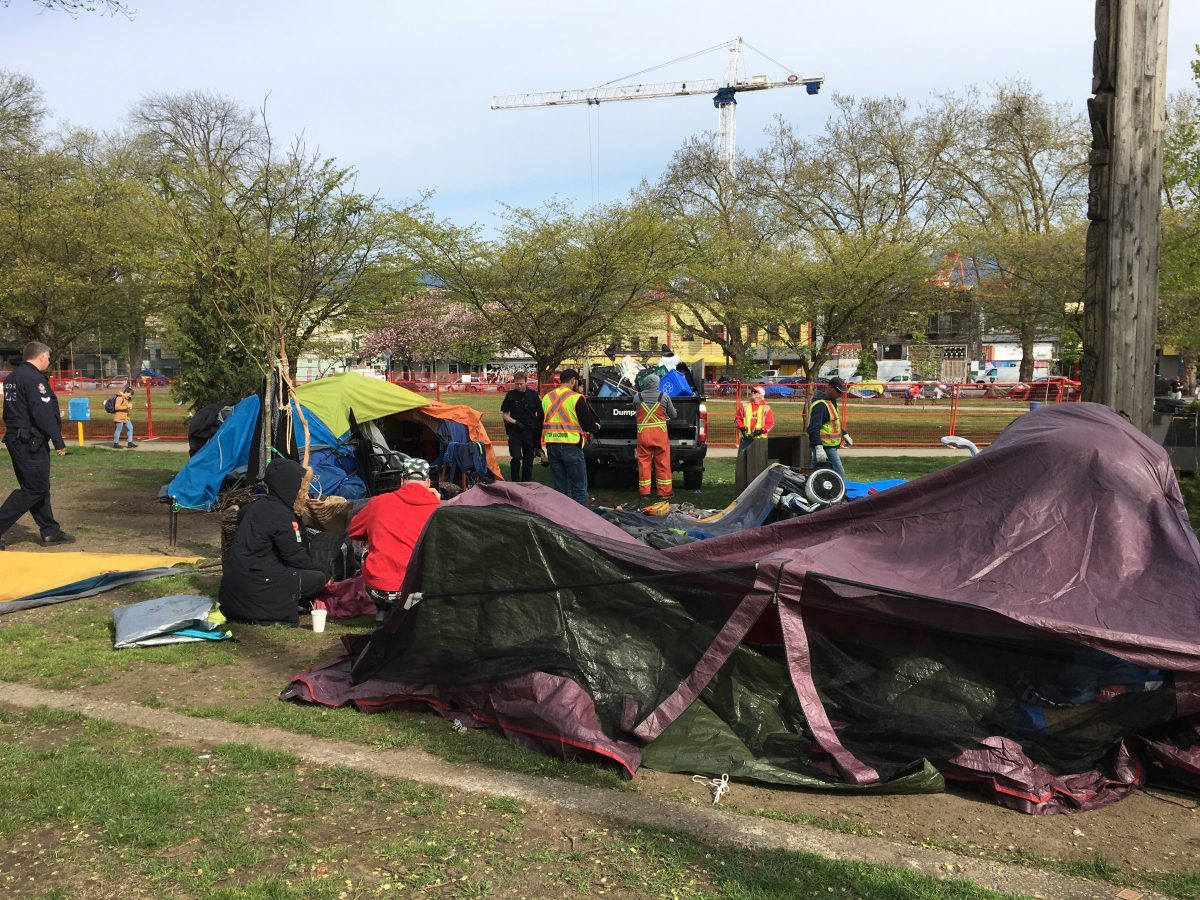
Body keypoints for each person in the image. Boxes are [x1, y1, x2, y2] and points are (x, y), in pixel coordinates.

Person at [218, 458, 327, 625]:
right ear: (288, 485)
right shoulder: (280, 514)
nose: (302, 493)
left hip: (237, 585)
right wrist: (327, 573)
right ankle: (278, 606)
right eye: (301, 488)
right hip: (257, 584)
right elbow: (294, 556)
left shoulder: (257, 506)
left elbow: (242, 515)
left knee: (304, 572)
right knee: (317, 578)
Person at [347, 456, 441, 622]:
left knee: (366, 545)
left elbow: (353, 530)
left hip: (380, 588)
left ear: (401, 480)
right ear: (428, 483)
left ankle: (382, 609)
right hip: (421, 589)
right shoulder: (438, 509)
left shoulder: (379, 502)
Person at [0, 341, 73, 549]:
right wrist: (58, 441)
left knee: (38, 487)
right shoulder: (34, 379)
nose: (49, 362)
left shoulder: (13, 377)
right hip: (29, 441)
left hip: (17, 438)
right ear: (41, 357)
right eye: (48, 358)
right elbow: (43, 413)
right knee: (34, 488)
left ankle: (50, 531)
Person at [541, 368, 600, 504]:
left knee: (559, 488)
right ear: (573, 381)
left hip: (552, 446)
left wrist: (538, 447)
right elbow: (587, 424)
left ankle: (561, 520)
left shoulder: (547, 397)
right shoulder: (576, 398)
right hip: (571, 446)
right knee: (579, 487)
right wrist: (596, 427)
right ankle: (579, 521)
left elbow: (539, 423)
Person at [634, 373, 676, 500]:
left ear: (645, 384)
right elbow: (673, 415)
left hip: (643, 435)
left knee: (644, 463)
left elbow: (636, 411)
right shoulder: (664, 396)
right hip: (660, 435)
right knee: (663, 463)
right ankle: (664, 493)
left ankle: (644, 492)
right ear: (658, 384)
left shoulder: (637, 396)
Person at [499, 372, 543, 482]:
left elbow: (540, 414)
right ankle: (515, 481)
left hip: (529, 432)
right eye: (517, 384)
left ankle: (526, 483)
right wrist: (515, 422)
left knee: (528, 460)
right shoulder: (510, 395)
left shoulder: (533, 395)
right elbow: (504, 415)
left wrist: (536, 427)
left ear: (526, 382)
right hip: (515, 431)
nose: (519, 386)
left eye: (521, 384)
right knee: (516, 457)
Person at [808, 376, 850, 480]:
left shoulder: (831, 401)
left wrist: (844, 434)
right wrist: (818, 447)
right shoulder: (821, 405)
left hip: (829, 446)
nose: (840, 395)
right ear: (830, 388)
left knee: (816, 474)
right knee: (839, 475)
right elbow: (813, 428)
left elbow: (832, 422)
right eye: (839, 391)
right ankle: (840, 495)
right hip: (825, 447)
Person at [735, 384, 774, 452]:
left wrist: (761, 431)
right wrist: (741, 427)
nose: (752, 392)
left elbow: (770, 423)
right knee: (745, 460)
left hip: (761, 440)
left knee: (759, 460)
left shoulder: (766, 408)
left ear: (761, 395)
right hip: (746, 438)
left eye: (755, 392)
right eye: (752, 391)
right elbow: (737, 418)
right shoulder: (744, 406)